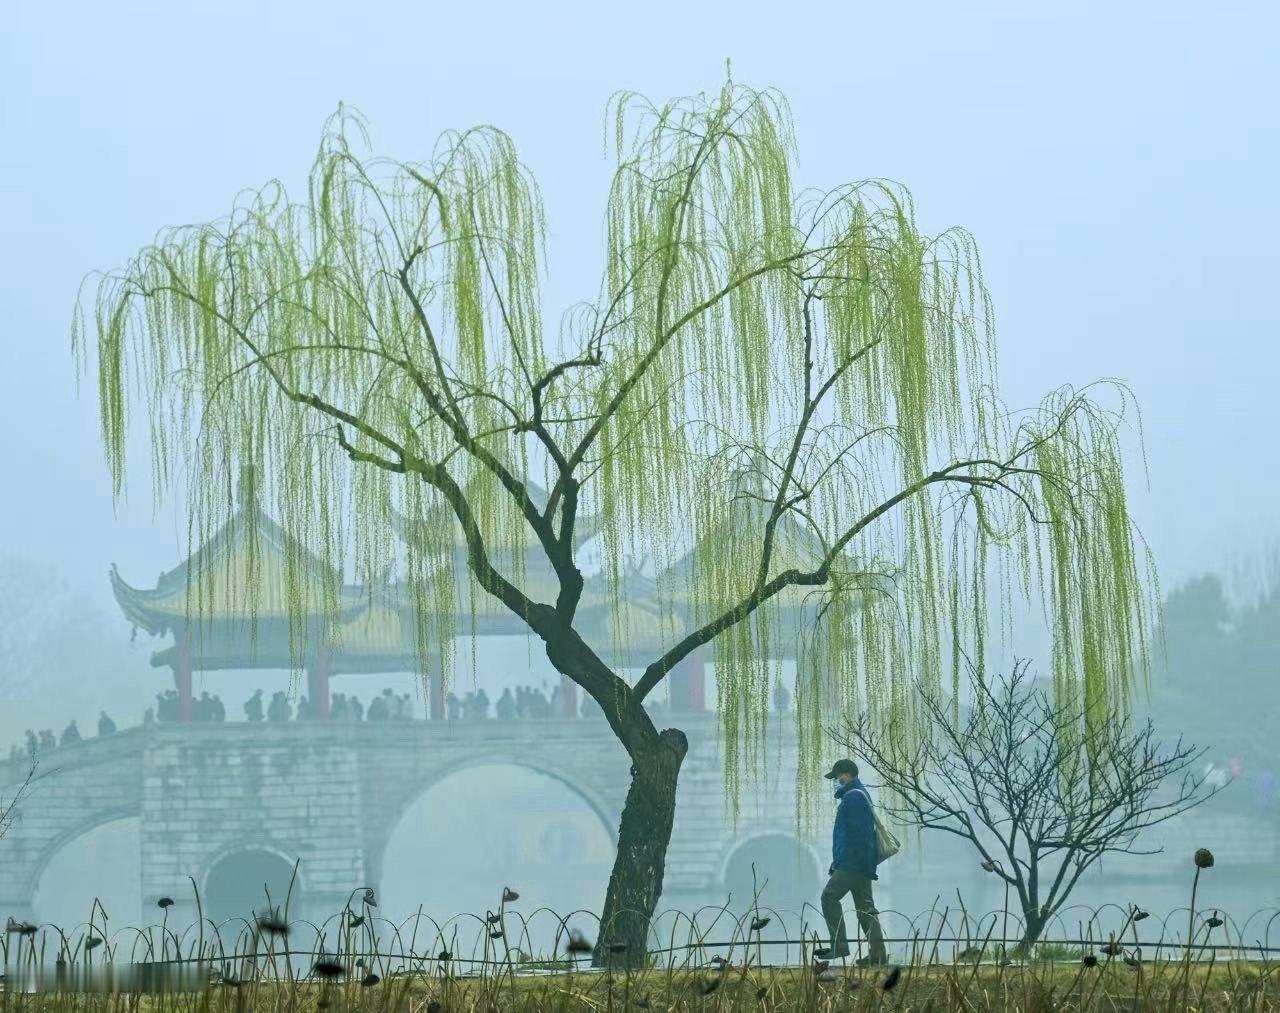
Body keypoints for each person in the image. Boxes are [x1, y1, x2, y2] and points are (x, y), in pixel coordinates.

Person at [816, 758, 887, 965]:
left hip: (853, 863)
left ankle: (839, 947)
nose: (835, 781)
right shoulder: (858, 795)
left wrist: (844, 863)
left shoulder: (853, 798)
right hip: (861, 863)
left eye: (837, 777)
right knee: (865, 909)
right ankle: (878, 956)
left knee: (829, 897)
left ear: (846, 774)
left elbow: (856, 835)